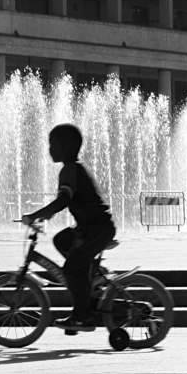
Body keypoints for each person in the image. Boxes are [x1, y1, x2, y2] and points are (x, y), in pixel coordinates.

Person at [21, 124, 116, 332]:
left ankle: (83, 317)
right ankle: (91, 275)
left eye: (52, 145)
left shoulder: (70, 169)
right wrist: (47, 215)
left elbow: (63, 200)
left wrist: (34, 216)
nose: (49, 150)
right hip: (92, 227)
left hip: (96, 229)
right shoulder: (74, 168)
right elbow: (68, 199)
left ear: (64, 147)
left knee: (72, 269)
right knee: (61, 241)